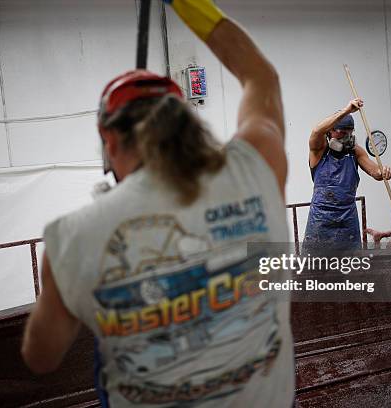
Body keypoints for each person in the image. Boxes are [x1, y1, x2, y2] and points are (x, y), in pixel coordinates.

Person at [21, 1, 295, 407]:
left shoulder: (72, 239)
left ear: (110, 142)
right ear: (185, 121)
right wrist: (188, 3)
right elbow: (261, 75)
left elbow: (41, 358)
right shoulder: (258, 165)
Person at [303, 98, 391, 250]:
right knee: (316, 268)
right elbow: (316, 131)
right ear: (330, 131)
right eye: (342, 133)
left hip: (347, 219)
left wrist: (383, 171)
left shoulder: (355, 152)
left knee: (350, 268)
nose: (346, 138)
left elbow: (375, 172)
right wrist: (346, 110)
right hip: (320, 220)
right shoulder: (318, 149)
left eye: (350, 133)